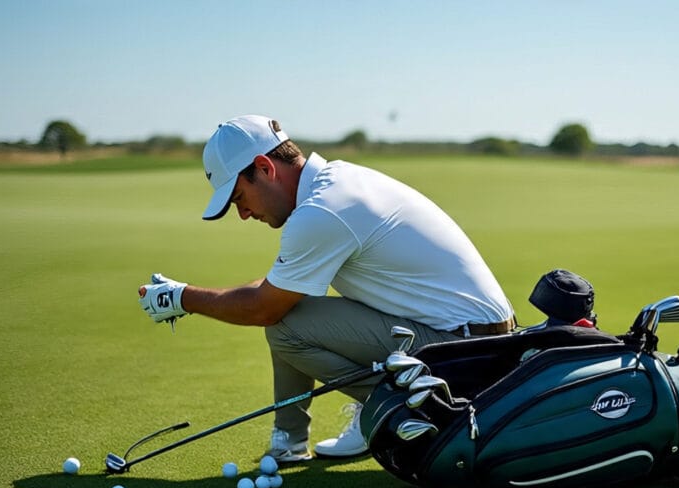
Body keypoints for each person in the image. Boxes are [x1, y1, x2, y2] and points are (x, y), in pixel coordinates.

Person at [138, 114, 514, 463]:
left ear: (265, 168)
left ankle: (390, 410)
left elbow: (264, 308)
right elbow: (276, 289)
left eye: (239, 198)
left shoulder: (321, 212)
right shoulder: (335, 183)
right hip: (476, 339)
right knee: (290, 309)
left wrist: (182, 298)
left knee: (284, 324)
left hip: (464, 353)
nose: (243, 214)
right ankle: (289, 442)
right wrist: (186, 294)